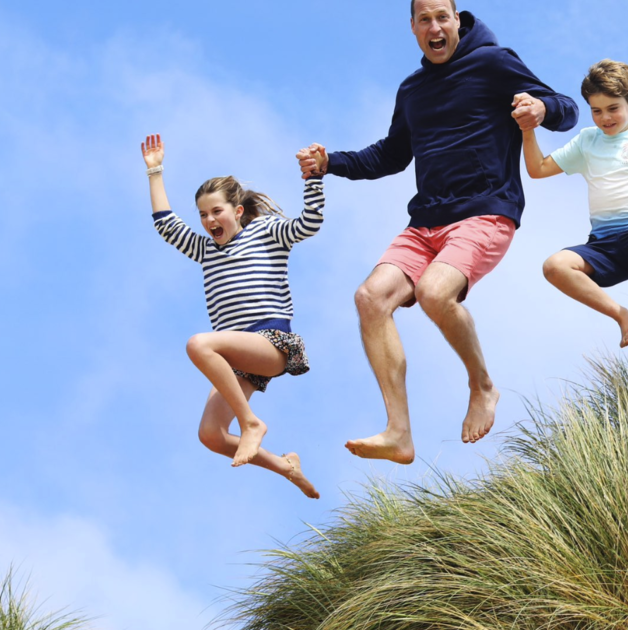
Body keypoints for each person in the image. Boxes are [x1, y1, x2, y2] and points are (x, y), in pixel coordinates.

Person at [296, 0, 578, 464]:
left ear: (457, 21)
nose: (434, 27)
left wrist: (540, 107)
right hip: (425, 221)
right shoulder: (412, 90)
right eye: (424, 19)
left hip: (485, 211)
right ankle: (399, 433)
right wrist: (331, 163)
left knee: (433, 292)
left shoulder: (493, 62)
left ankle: (482, 386)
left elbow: (566, 110)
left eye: (441, 17)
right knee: (371, 299)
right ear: (412, 28)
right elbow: (390, 155)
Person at [141, 133, 323, 499]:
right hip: (237, 358)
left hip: (270, 342)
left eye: (217, 211)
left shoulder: (265, 232)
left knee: (198, 344)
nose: (209, 220)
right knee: (210, 435)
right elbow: (165, 224)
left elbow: (309, 224)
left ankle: (251, 423)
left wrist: (314, 179)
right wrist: (155, 171)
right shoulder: (205, 249)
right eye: (203, 215)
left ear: (237, 211)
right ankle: (286, 466)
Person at [521, 59, 628, 348]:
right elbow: (537, 169)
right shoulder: (586, 141)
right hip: (603, 246)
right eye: (596, 111)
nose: (605, 118)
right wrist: (527, 129)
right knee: (554, 266)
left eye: (613, 108)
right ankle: (622, 316)